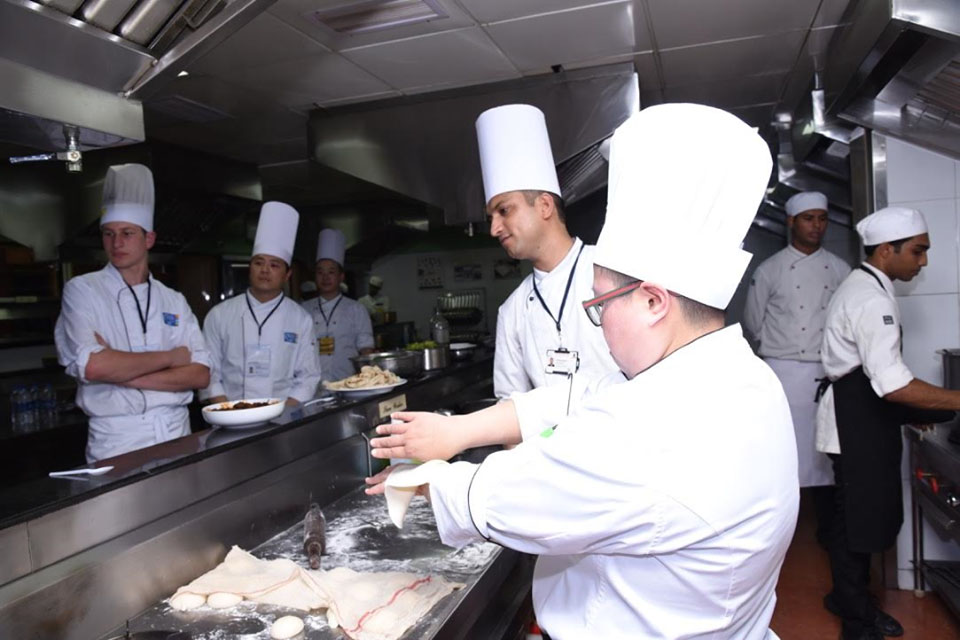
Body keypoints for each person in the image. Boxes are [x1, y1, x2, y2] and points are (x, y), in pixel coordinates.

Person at [366, 104, 800, 639]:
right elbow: (585, 395)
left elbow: (516, 495)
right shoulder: (740, 377)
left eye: (600, 306)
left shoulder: (652, 434)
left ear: (653, 302)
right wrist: (458, 431)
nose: (597, 322)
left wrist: (423, 479)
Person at [815, 207, 960, 640]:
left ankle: (848, 599)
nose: (923, 262)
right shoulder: (870, 298)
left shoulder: (868, 286)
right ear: (885, 251)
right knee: (856, 523)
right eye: (917, 251)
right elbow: (893, 385)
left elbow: (879, 375)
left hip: (860, 415)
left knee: (855, 519)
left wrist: (923, 411)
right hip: (855, 421)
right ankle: (856, 621)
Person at [55, 164, 210, 462]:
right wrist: (171, 358)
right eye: (108, 234)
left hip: (176, 433)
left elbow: (200, 374)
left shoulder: (173, 300)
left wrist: (123, 374)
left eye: (127, 233)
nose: (117, 243)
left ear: (148, 239)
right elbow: (95, 368)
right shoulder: (83, 291)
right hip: (116, 441)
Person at [476, 104, 618, 401]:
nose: (494, 229)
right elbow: (509, 407)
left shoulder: (611, 269)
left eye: (504, 211)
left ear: (544, 206)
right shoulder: (512, 311)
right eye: (491, 218)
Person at [744, 191, 850, 542]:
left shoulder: (840, 269)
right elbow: (754, 321)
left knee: (825, 451)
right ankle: (778, 527)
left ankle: (826, 529)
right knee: (783, 451)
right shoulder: (770, 270)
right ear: (792, 222)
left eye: (822, 218)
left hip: (826, 371)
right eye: (808, 219)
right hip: (783, 372)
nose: (817, 226)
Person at [200, 202, 320, 406]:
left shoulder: (300, 319)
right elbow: (209, 373)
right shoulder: (219, 315)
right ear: (250, 268)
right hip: (230, 415)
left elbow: (308, 377)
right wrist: (229, 411)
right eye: (258, 263)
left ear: (287, 275)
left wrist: (282, 415)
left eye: (274, 265)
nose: (265, 270)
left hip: (283, 417)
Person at [303, 229, 375, 382]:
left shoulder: (356, 309)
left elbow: (366, 349)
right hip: (312, 387)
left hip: (348, 383)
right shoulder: (303, 310)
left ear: (341, 276)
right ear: (315, 276)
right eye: (320, 272)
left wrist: (366, 380)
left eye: (331, 272)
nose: (325, 277)